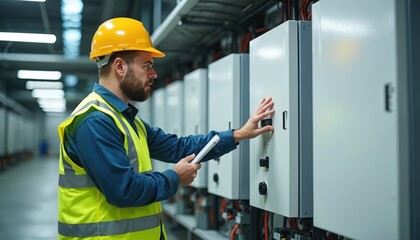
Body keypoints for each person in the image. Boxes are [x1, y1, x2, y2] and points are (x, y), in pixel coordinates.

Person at [57, 17, 274, 240]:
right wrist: (174, 177)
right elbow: (123, 190)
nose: (154, 74)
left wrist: (238, 134)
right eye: (147, 65)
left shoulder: (126, 120)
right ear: (120, 66)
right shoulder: (94, 122)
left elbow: (178, 147)